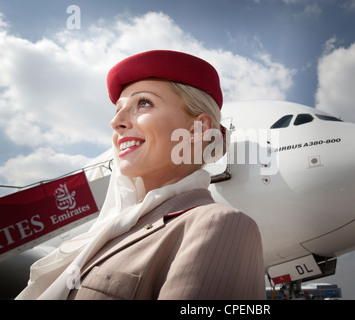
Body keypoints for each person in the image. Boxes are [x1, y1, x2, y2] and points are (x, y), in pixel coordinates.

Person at [16, 50, 266, 300]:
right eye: (117, 110)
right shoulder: (114, 229)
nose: (116, 122)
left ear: (198, 128)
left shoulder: (217, 224)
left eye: (144, 102)